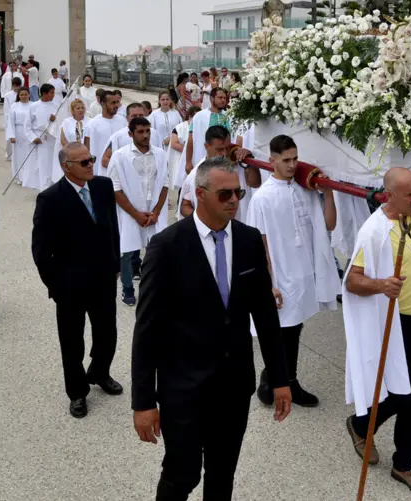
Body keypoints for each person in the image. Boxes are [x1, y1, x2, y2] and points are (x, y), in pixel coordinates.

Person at [132, 156, 291, 501]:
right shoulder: (167, 246)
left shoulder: (249, 241)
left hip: (233, 387)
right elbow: (146, 331)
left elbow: (265, 315)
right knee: (182, 473)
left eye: (238, 193)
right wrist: (143, 401)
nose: (234, 200)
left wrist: (280, 378)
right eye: (224, 194)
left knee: (223, 474)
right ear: (200, 195)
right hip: (183, 388)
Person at [342, 168, 411, 498]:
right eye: (410, 194)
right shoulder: (374, 231)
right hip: (396, 325)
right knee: (405, 395)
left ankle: (397, 457)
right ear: (389, 195)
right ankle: (369, 432)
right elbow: (351, 281)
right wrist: (380, 285)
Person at [32, 141, 124, 417]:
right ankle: (77, 392)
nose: (90, 165)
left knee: (107, 334)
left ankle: (99, 371)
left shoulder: (103, 187)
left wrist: (115, 263)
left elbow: (112, 228)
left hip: (104, 278)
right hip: (70, 285)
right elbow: (40, 250)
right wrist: (56, 286)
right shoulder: (50, 199)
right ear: (66, 167)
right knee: (72, 342)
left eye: (91, 159)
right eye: (83, 162)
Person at [247, 135, 339, 408]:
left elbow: (329, 225)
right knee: (282, 331)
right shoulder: (262, 198)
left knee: (295, 328)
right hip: (280, 274)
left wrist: (330, 191)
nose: (291, 165)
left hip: (303, 272)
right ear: (271, 160)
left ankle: (277, 378)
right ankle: (284, 381)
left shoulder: (306, 190)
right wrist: (269, 283)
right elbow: (259, 243)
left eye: (295, 159)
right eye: (285, 160)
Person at [108, 117, 170, 308]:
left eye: (147, 131)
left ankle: (153, 288)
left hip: (154, 213)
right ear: (130, 134)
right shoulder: (119, 156)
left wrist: (157, 212)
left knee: (156, 251)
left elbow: (165, 184)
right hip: (129, 212)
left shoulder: (160, 154)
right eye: (140, 132)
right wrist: (136, 214)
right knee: (127, 251)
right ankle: (127, 288)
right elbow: (115, 189)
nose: (145, 135)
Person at [179, 126, 258, 222]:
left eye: (227, 148)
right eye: (219, 149)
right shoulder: (195, 175)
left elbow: (255, 183)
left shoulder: (239, 163)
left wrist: (250, 160)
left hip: (240, 228)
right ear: (206, 147)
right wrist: (204, 219)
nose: (224, 153)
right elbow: (184, 206)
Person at [185, 87, 233, 176]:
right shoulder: (199, 116)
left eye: (224, 98)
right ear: (211, 98)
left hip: (224, 161)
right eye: (220, 98)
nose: (223, 100)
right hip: (204, 159)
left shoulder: (230, 116)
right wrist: (188, 162)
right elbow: (191, 139)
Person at [24, 84, 60, 191]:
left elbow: (61, 121)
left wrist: (55, 119)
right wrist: (33, 137)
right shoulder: (34, 106)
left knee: (53, 163)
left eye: (54, 93)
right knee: (42, 163)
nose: (53, 95)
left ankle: (53, 186)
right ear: (44, 93)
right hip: (40, 138)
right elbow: (27, 125)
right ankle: (44, 188)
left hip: (53, 137)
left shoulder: (56, 105)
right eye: (51, 93)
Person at [85, 90, 125, 176]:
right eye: (113, 103)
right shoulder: (92, 125)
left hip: (120, 170)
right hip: (98, 172)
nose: (116, 106)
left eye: (117, 102)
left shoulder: (123, 121)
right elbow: (86, 149)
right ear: (102, 103)